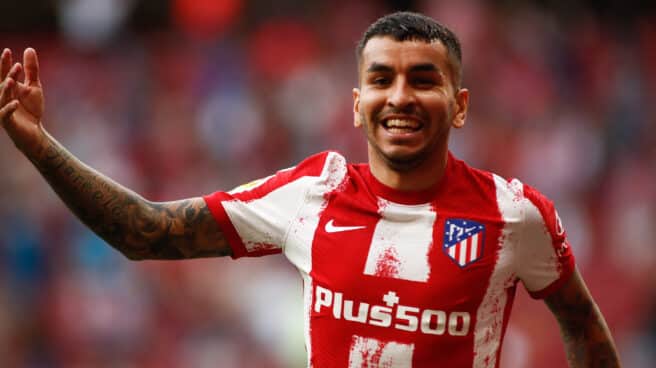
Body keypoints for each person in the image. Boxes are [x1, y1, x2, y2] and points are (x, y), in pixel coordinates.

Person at [0, 11, 621, 368]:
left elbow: (581, 323)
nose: (400, 96)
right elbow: (141, 232)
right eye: (381, 79)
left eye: (423, 80)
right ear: (357, 104)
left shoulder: (513, 214)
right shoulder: (309, 196)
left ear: (459, 106)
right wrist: (39, 145)